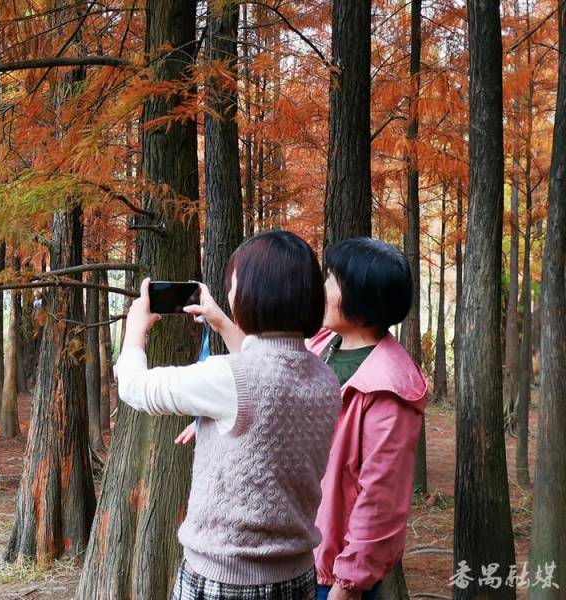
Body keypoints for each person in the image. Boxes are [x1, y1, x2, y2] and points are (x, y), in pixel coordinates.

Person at [116, 231, 342, 600]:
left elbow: (135, 387)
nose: (230, 291)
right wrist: (221, 322)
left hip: (225, 579)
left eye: (234, 283)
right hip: (298, 576)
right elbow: (267, 374)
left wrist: (134, 331)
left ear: (252, 294)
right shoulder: (322, 376)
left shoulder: (232, 378)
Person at [309, 238, 428, 600]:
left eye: (332, 279)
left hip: (331, 576)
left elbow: (380, 499)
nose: (322, 287)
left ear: (360, 297)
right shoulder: (320, 344)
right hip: (296, 553)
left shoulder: (389, 386)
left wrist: (348, 583)